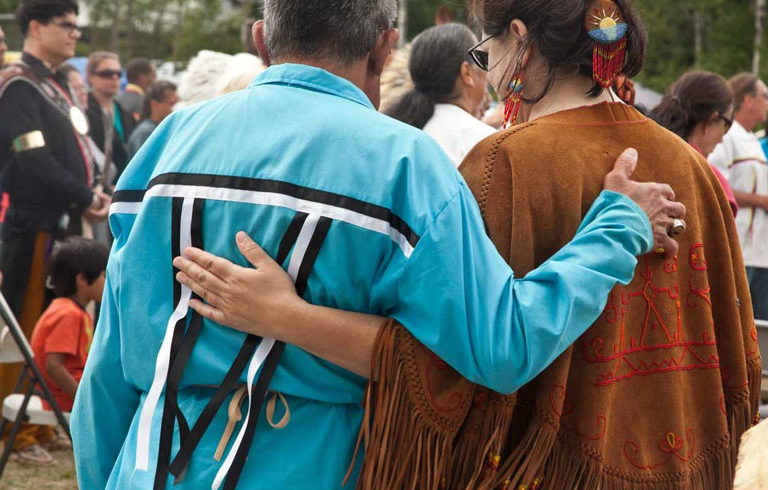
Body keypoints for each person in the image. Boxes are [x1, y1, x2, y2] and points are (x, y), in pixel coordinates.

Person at [71, 1, 684, 489]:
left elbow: (108, 368)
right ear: (386, 47)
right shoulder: (402, 164)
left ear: (261, 39)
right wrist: (616, 229)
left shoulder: (168, 145)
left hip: (149, 463)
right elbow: (504, 345)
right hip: (311, 466)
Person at [0, 0, 110, 398]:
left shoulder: (56, 83)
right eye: (65, 24)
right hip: (35, 224)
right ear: (34, 27)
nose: (74, 34)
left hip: (64, 220)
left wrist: (93, 191)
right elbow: (32, 159)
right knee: (27, 324)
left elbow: (76, 149)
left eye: (77, 26)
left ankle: (41, 418)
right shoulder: (19, 84)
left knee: (55, 324)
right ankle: (16, 424)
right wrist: (83, 195)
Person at [18, 237, 107, 463]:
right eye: (103, 276)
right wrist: (82, 402)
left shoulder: (68, 310)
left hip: (60, 392)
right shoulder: (68, 315)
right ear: (82, 279)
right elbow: (54, 367)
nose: (108, 281)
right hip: (58, 397)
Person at [386, 23, 495, 166]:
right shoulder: (485, 142)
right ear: (467, 72)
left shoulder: (396, 136)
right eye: (480, 60)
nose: (485, 71)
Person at [710, 73, 768, 320]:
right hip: (739, 249)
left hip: (760, 252)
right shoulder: (729, 136)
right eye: (764, 96)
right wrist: (762, 201)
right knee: (738, 321)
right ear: (748, 100)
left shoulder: (753, 141)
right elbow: (715, 184)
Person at [651, 71, 738, 215]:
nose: (722, 138)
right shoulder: (712, 184)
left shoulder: (640, 151)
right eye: (727, 125)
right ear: (711, 120)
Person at [85, 51, 135, 184]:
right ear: (91, 77)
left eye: (118, 74)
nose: (114, 78)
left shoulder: (125, 113)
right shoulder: (84, 111)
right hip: (98, 186)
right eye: (106, 74)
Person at [127, 81, 178, 158]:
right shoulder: (146, 133)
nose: (176, 108)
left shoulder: (161, 128)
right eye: (172, 103)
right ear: (154, 104)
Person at [117, 57, 156, 123]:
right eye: (153, 75)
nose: (155, 79)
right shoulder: (142, 102)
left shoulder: (118, 99)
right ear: (142, 77)